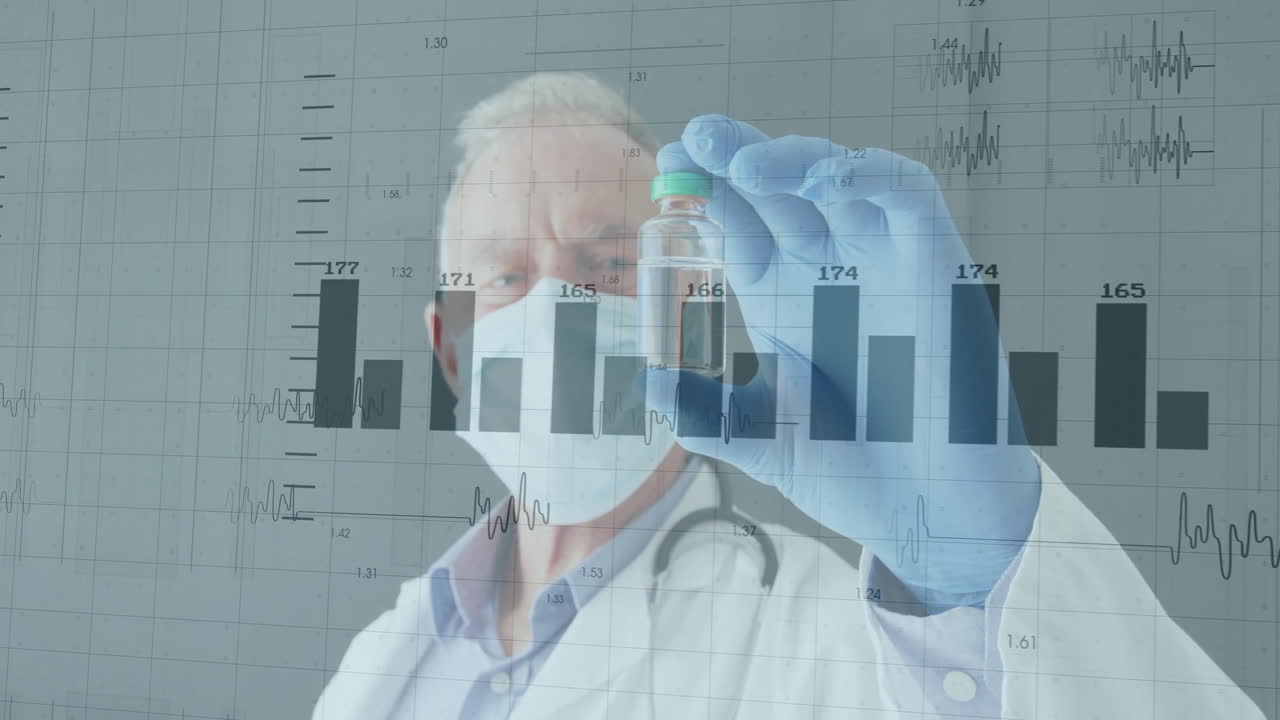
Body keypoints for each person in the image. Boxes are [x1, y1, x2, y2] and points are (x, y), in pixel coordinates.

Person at [311, 71, 1262, 719]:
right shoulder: (380, 660)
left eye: (607, 263)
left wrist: (974, 581)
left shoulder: (843, 649)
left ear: (688, 305)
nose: (555, 305)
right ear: (447, 346)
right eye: (504, 276)